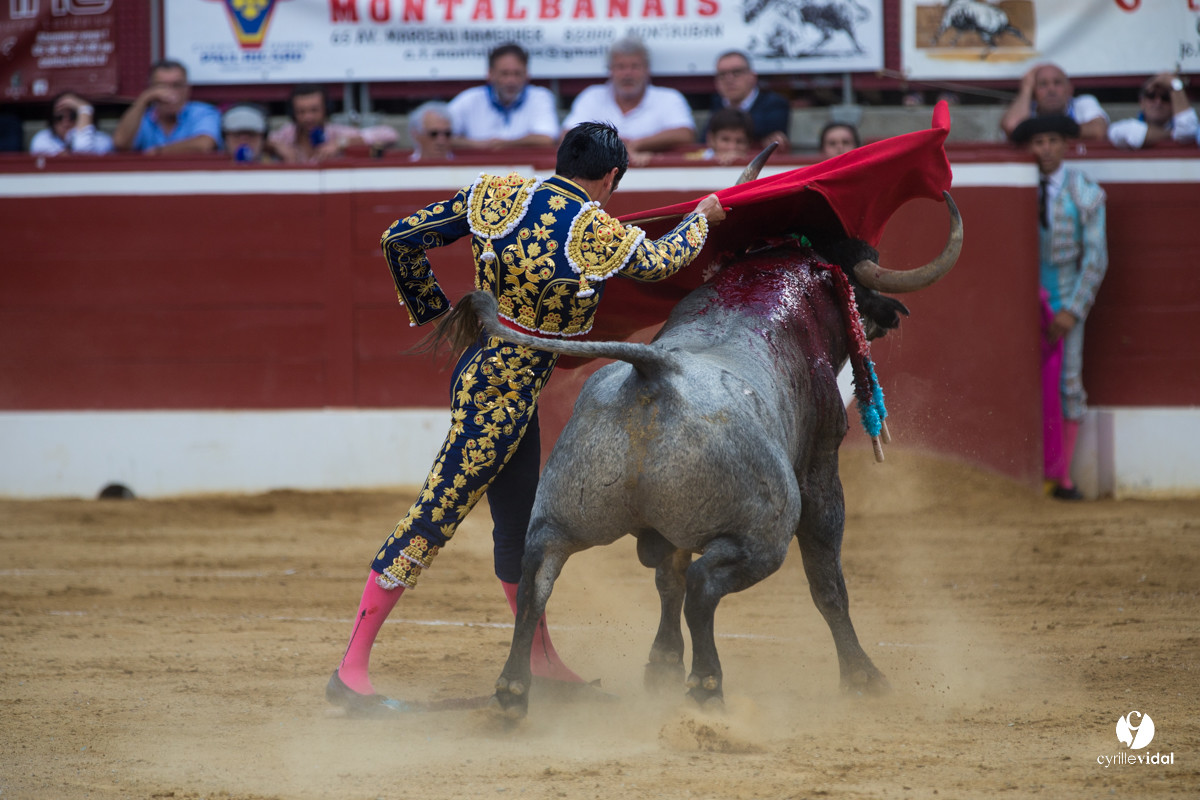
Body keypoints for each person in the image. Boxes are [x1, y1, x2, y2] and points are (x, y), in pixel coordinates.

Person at [325, 121, 726, 716]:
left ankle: (539, 661)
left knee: (520, 528)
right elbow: (663, 261)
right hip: (499, 399)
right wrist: (702, 218)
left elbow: (398, 239)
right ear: (611, 176)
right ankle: (350, 672)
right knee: (435, 515)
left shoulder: (499, 193)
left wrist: (442, 317)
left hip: (494, 381)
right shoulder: (596, 230)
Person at [1012, 115, 1107, 501]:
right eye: (1038, 142)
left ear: (1066, 144)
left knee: (1068, 382)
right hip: (1023, 303)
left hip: (1065, 298)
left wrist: (1073, 309)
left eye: (1052, 140)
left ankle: (1061, 478)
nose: (1045, 149)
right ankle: (1026, 472)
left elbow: (1096, 258)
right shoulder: (1018, 188)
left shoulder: (1085, 192)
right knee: (1021, 382)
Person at [561, 36, 695, 158]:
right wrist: (616, 143)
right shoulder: (591, 96)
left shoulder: (669, 98)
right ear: (610, 70)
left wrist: (640, 144)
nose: (627, 74)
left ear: (647, 70)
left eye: (635, 67)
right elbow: (567, 136)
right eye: (620, 67)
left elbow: (685, 134)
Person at [446, 43, 559, 150]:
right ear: (490, 74)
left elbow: (548, 138)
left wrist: (505, 144)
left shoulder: (540, 97)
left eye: (517, 73)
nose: (511, 80)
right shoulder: (469, 99)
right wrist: (477, 145)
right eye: (504, 74)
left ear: (526, 74)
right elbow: (440, 136)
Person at [112, 60, 222, 155]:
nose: (170, 92)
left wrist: (159, 151)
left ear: (187, 88)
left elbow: (204, 144)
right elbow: (120, 144)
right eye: (161, 86)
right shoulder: (142, 118)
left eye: (177, 85)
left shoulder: (202, 112)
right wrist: (143, 100)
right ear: (151, 89)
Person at [269, 84, 397, 163]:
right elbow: (266, 140)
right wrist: (278, 147)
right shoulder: (288, 133)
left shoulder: (336, 133)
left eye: (314, 110)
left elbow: (389, 134)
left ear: (326, 109)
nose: (308, 117)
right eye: (301, 112)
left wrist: (340, 143)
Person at [1000, 63, 1109, 142]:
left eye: (1057, 83)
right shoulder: (1026, 110)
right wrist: (1026, 88)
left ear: (1069, 89)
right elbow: (1012, 127)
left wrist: (1037, 128)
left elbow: (1099, 131)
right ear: (1034, 92)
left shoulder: (1082, 103)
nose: (1051, 90)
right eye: (1043, 84)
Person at [707, 50, 790, 152]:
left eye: (736, 72)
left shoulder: (774, 103)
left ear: (752, 76)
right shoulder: (717, 103)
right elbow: (705, 139)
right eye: (722, 74)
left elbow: (772, 137)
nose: (729, 79)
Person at [1107, 73, 1197, 150]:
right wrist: (1173, 134)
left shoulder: (1187, 126)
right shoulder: (1121, 127)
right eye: (1151, 96)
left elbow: (1188, 131)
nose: (1158, 102)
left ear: (1173, 103)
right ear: (1141, 102)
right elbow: (1133, 133)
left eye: (1165, 97)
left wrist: (1174, 83)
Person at [29, 91, 113, 156]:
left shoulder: (102, 140)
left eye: (73, 116)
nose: (66, 122)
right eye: (59, 117)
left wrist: (84, 108)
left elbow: (82, 149)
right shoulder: (42, 139)